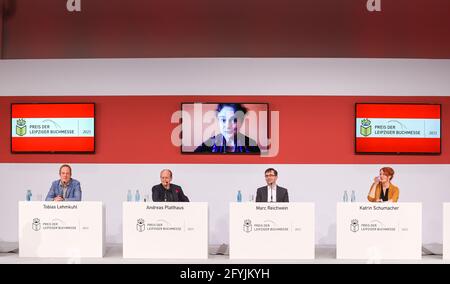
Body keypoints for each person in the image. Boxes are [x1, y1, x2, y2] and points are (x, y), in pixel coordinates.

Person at [194, 103, 261, 153]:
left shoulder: (252, 146)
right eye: (223, 120)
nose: (228, 126)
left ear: (241, 121)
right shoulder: (208, 145)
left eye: (234, 120)